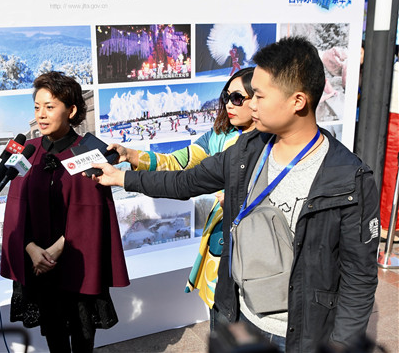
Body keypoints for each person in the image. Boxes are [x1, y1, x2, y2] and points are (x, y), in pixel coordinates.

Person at [90, 37, 379, 352]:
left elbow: (359, 278)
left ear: (297, 101)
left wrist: (342, 345)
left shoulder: (350, 179)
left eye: (259, 96)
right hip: (240, 318)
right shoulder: (246, 151)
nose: (251, 105)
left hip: (300, 335)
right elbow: (184, 181)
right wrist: (123, 178)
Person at [108, 67, 255, 327]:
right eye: (226, 96)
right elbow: (178, 163)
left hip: (258, 247)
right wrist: (129, 155)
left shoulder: (276, 142)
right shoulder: (219, 135)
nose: (229, 104)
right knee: (221, 320)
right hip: (222, 241)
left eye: (237, 98)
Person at [0, 71, 129, 353]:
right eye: (37, 107)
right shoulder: (25, 151)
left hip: (77, 262)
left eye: (50, 106)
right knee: (54, 338)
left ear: (71, 110)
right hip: (38, 263)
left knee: (83, 338)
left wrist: (60, 247)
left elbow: (94, 213)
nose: (41, 115)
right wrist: (31, 248)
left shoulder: (89, 151)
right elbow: (15, 207)